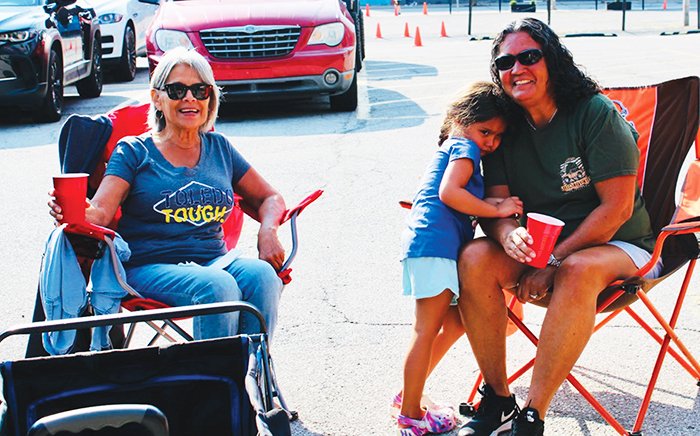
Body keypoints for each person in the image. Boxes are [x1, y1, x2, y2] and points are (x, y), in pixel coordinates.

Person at [455, 18, 662, 436]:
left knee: (577, 269)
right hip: (544, 252)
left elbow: (617, 209)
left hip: (622, 246)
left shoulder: (593, 113)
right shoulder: (504, 127)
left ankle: (533, 415)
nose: (517, 69)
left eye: (529, 57)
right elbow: (497, 206)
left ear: (552, 61)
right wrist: (509, 234)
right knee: (475, 255)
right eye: (506, 62)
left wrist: (553, 260)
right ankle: (498, 400)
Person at [49, 47, 285, 341]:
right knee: (217, 286)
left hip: (214, 261)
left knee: (263, 277)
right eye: (177, 90)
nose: (190, 98)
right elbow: (101, 212)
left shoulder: (219, 148)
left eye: (200, 90)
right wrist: (73, 209)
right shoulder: (134, 151)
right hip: (147, 268)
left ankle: (249, 365)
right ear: (157, 98)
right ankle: (214, 370)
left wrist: (268, 231)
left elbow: (270, 198)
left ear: (210, 98)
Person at [397, 82, 523, 436]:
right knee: (425, 330)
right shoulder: (464, 146)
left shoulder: (460, 147)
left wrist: (496, 204)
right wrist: (496, 210)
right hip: (434, 246)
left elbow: (458, 196)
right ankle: (410, 413)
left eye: (498, 135)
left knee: (454, 323)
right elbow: (449, 193)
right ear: (461, 120)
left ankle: (409, 393)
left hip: (435, 247)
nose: (491, 142)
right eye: (486, 131)